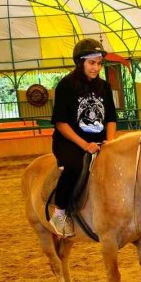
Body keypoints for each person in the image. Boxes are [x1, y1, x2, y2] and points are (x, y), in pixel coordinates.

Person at [50, 38, 118, 236]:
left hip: (99, 141)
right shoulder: (65, 86)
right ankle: (60, 211)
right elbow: (61, 123)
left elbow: (111, 119)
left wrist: (111, 141)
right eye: (92, 63)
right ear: (80, 63)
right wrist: (84, 144)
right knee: (74, 167)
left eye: (99, 63)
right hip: (70, 142)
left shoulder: (104, 87)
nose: (96, 68)